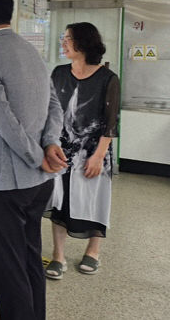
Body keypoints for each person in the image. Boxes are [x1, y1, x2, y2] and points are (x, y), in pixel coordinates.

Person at [0, 0, 66, 320]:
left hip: (3, 183)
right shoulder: (31, 51)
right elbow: (53, 104)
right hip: (38, 182)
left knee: (8, 273)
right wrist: (49, 144)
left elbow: (1, 117)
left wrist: (35, 154)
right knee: (29, 260)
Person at [45, 23, 119, 279]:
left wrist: (99, 156)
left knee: (94, 199)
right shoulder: (59, 73)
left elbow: (111, 123)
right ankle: (58, 256)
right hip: (61, 150)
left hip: (93, 151)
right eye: (63, 38)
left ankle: (93, 251)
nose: (63, 43)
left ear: (84, 43)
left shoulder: (107, 79)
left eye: (68, 39)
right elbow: (50, 111)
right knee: (59, 201)